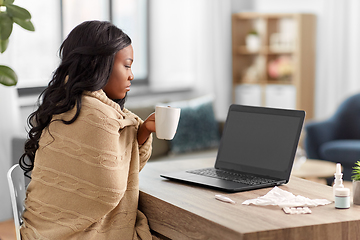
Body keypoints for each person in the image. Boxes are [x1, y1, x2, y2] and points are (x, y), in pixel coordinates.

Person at [19, 20, 157, 240]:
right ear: (99, 65)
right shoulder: (95, 114)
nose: (131, 75)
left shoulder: (67, 102)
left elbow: (107, 170)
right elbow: (110, 188)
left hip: (38, 228)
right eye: (127, 65)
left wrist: (143, 132)